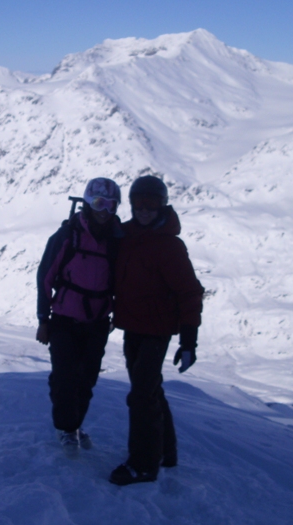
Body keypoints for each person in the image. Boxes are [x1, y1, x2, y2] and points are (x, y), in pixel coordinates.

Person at [109, 175, 204, 485]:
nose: (145, 210)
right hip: (132, 327)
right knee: (149, 389)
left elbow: (189, 292)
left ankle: (144, 465)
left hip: (157, 330)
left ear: (163, 205)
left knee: (140, 396)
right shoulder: (125, 235)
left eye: (152, 204)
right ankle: (165, 451)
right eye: (139, 204)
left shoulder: (170, 246)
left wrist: (189, 340)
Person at [36, 177, 123, 455]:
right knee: (64, 378)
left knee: (86, 380)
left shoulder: (118, 241)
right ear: (86, 202)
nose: (104, 210)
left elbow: (124, 280)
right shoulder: (67, 236)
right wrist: (43, 319)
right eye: (98, 203)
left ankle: (74, 425)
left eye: (110, 205)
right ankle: (66, 428)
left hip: (97, 323)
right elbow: (45, 277)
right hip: (63, 320)